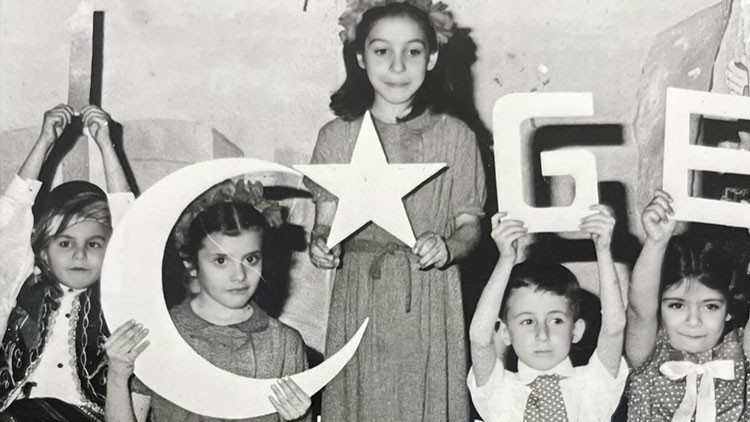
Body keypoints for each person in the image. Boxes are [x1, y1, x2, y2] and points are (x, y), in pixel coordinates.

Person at [305, 1, 485, 420]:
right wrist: (322, 245)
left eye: (413, 51)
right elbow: (324, 225)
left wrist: (448, 246)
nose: (398, 66)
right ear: (360, 57)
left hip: (429, 297)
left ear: (432, 58)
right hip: (360, 298)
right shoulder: (335, 137)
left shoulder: (457, 137)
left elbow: (470, 226)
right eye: (382, 50)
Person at [104, 194, 312, 422]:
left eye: (250, 259)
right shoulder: (158, 333)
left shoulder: (284, 344)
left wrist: (298, 417)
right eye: (221, 261)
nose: (239, 275)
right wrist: (117, 377)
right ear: (191, 264)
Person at [0, 104, 133, 420]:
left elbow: (131, 229)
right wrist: (44, 141)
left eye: (94, 244)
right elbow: (11, 218)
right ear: (44, 251)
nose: (80, 254)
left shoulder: (118, 297)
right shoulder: (20, 285)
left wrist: (107, 146)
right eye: (65, 243)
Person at [466, 207, 628, 422]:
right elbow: (479, 338)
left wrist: (604, 250)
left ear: (576, 330)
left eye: (556, 320)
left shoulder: (593, 386)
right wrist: (505, 259)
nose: (542, 334)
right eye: (527, 321)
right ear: (505, 332)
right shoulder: (499, 392)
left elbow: (614, 329)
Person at [626, 190, 750, 421]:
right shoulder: (649, 354)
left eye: (710, 306)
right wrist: (656, 242)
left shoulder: (741, 352)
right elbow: (639, 312)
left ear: (729, 309)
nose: (693, 321)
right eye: (677, 306)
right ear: (659, 306)